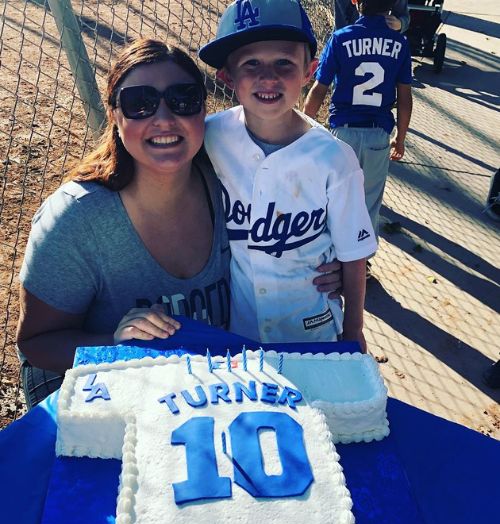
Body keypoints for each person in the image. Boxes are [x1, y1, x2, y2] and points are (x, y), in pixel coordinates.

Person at [17, 37, 341, 409]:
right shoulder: (76, 220)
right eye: (140, 103)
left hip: (209, 397)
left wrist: (316, 267)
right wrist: (116, 346)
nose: (165, 119)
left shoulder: (227, 184)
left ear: (204, 110)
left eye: (183, 99)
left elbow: (290, 225)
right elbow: (36, 345)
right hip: (103, 407)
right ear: (114, 114)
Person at [199, 0, 377, 351]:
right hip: (239, 330)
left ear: (309, 71)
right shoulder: (210, 137)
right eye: (251, 63)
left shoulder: (334, 157)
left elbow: (353, 253)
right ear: (227, 76)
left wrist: (354, 328)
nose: (269, 77)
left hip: (313, 326)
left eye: (284, 62)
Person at [304, 0, 413, 250]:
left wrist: (303, 128)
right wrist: (401, 137)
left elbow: (319, 90)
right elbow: (405, 97)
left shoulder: (341, 38)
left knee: (334, 198)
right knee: (369, 202)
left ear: (355, 2)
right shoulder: (400, 43)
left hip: (342, 132)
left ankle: (331, 254)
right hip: (377, 133)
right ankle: (360, 261)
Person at [334, 0, 410, 32]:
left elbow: (404, 16)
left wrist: (400, 24)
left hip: (383, 43)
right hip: (350, 43)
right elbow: (340, 25)